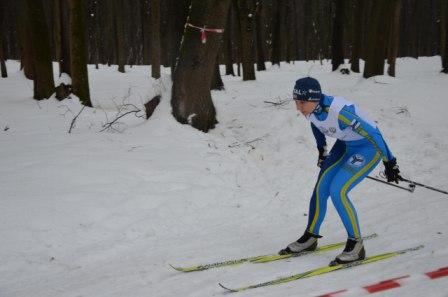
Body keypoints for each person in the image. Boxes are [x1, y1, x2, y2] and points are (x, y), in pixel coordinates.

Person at [280, 77, 401, 265]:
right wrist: (322, 149)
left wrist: (390, 162)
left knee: (338, 190)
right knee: (321, 188)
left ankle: (356, 244)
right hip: (344, 146)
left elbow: (374, 134)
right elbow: (317, 125)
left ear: (314, 99)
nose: (298, 107)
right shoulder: (311, 110)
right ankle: (310, 237)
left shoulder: (340, 112)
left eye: (302, 102)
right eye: (296, 102)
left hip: (366, 149)